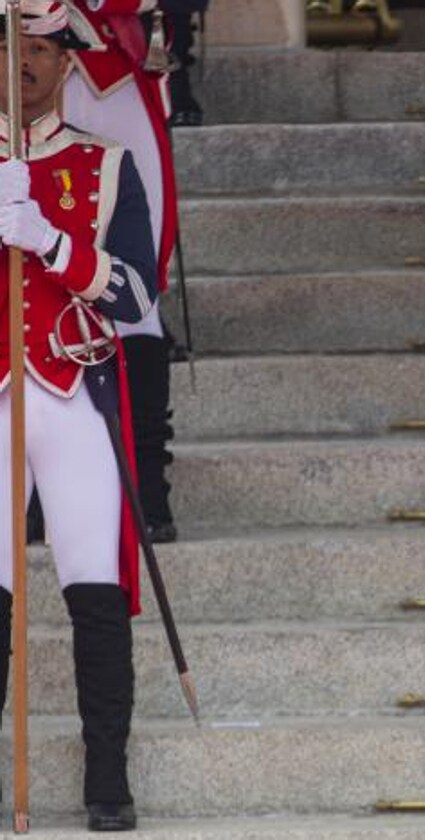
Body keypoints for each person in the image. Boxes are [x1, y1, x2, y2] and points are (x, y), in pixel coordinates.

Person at [0, 0, 158, 830]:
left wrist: (52, 243)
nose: (22, 59)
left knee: (94, 584)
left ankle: (108, 780)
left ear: (67, 65)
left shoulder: (107, 166)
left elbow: (137, 294)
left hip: (70, 388)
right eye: (10, 45)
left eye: (39, 48)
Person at [62, 0, 179, 542]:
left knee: (135, 292)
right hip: (32, 79)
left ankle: (148, 487)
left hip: (119, 81)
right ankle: (38, 494)